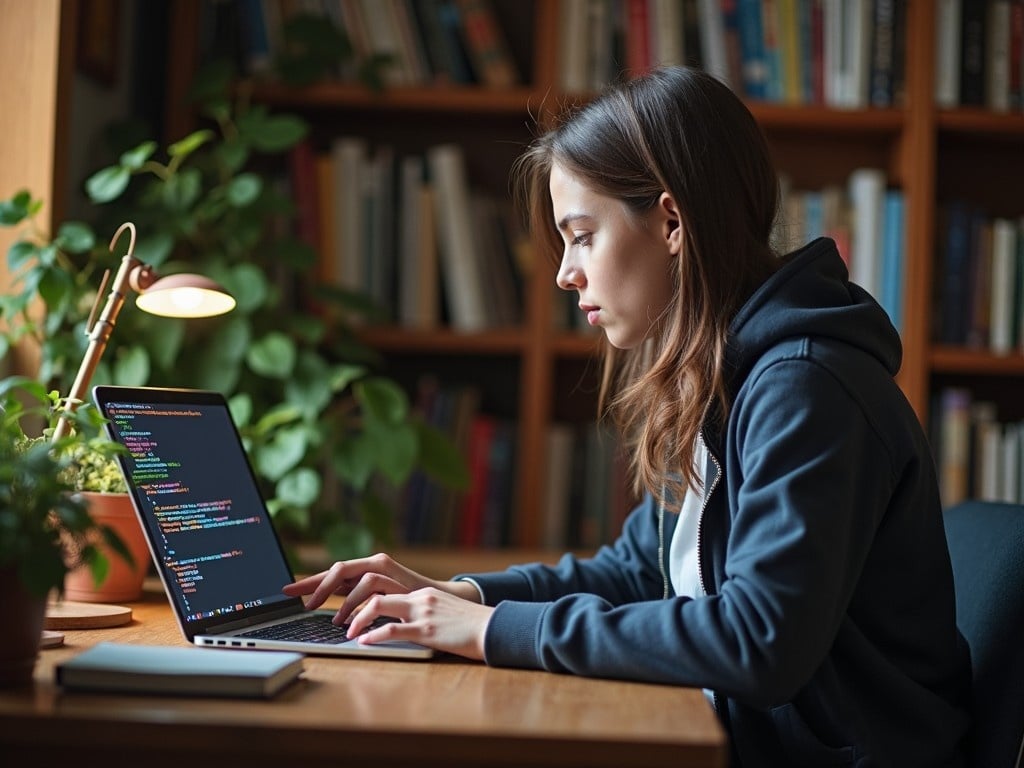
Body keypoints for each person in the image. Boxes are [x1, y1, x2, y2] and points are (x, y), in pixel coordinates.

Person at [284, 66, 970, 766]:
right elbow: (640, 569)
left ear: (672, 222)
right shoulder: (725, 369)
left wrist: (489, 630)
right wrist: (454, 595)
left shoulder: (807, 387)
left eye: (582, 235)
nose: (564, 273)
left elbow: (758, 641)